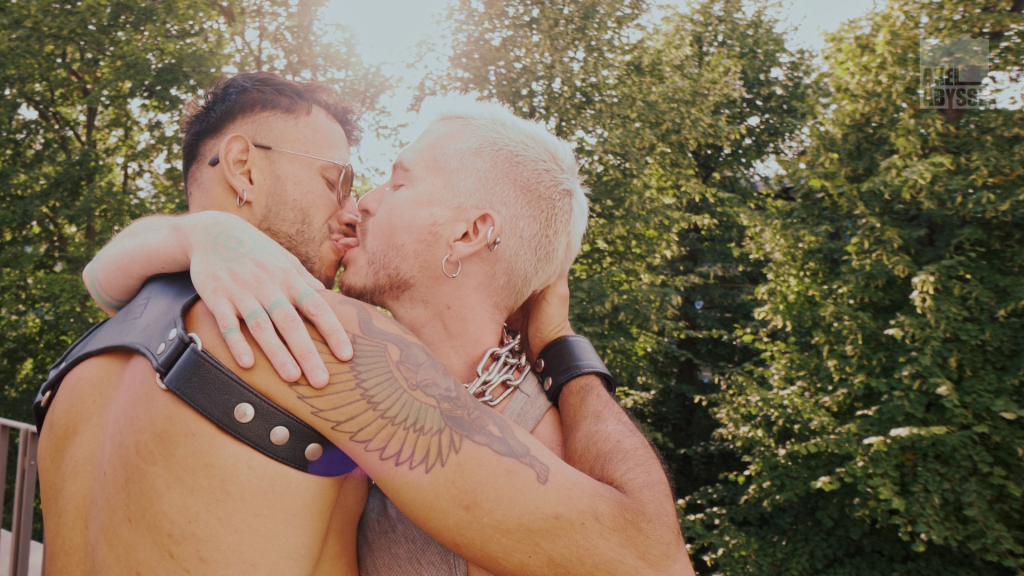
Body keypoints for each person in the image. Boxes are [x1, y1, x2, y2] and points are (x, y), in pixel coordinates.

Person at [35, 72, 693, 575]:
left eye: (383, 186)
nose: (354, 209)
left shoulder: (95, 354)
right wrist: (560, 347)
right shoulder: (317, 334)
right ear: (243, 166)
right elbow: (649, 557)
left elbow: (103, 275)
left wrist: (196, 232)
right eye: (336, 181)